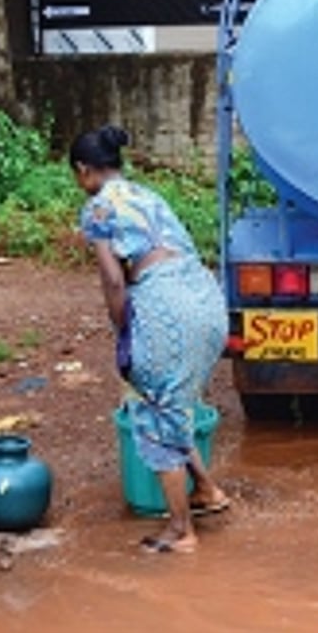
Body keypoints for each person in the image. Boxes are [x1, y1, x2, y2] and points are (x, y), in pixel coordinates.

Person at [70, 125, 230, 554]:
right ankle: (207, 490)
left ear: (84, 170)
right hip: (206, 302)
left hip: (167, 308)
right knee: (169, 403)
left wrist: (124, 331)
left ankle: (180, 531)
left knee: (153, 411)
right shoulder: (147, 195)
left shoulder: (98, 209)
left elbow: (113, 281)